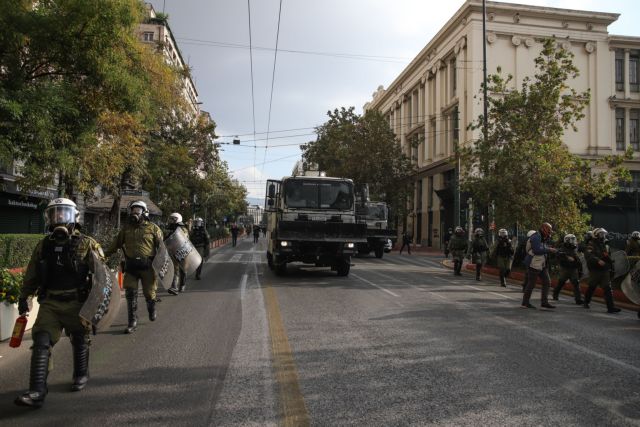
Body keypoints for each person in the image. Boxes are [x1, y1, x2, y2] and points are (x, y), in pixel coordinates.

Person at [15, 198, 103, 408]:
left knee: (80, 339)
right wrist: (24, 297)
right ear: (49, 218)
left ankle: (81, 374)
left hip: (77, 303)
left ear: (75, 217)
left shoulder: (87, 244)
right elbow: (32, 275)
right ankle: (37, 390)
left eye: (64, 213)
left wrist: (98, 305)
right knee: (41, 341)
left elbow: (102, 275)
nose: (59, 218)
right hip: (50, 303)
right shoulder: (43, 245)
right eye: (55, 214)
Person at [105, 200, 164, 333]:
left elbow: (162, 248)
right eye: (133, 210)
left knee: (149, 293)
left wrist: (162, 264)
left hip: (148, 268)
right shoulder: (126, 229)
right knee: (130, 294)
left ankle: (151, 308)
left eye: (138, 210)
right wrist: (103, 256)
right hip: (131, 267)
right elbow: (115, 245)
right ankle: (132, 322)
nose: (135, 213)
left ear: (144, 212)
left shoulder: (153, 228)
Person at [583, 228, 621, 313]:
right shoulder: (591, 244)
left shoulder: (605, 245)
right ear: (595, 235)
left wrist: (611, 263)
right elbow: (588, 255)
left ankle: (610, 307)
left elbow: (607, 255)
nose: (603, 236)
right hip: (595, 270)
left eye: (604, 234)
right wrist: (598, 260)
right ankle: (586, 302)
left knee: (607, 288)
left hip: (604, 269)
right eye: (601, 234)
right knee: (592, 287)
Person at [521, 222, 557, 309]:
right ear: (543, 229)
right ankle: (525, 302)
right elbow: (537, 250)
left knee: (547, 282)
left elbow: (543, 248)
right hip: (533, 263)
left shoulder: (544, 237)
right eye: (548, 230)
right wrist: (549, 249)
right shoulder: (536, 237)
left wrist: (552, 250)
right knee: (531, 284)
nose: (549, 232)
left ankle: (544, 302)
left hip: (541, 263)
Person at [552, 234, 584, 304]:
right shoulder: (563, 248)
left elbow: (577, 258)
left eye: (573, 239)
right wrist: (567, 258)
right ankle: (555, 295)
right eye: (572, 239)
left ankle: (578, 299)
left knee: (576, 283)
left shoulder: (575, 248)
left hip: (573, 268)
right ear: (567, 240)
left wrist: (576, 262)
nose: (573, 241)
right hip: (565, 269)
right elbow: (558, 256)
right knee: (561, 283)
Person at [165, 212, 189, 295]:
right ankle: (174, 287)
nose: (171, 220)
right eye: (171, 218)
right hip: (173, 251)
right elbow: (165, 238)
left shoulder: (183, 229)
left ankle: (182, 284)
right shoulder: (169, 228)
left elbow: (183, 238)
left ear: (178, 219)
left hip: (183, 252)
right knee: (175, 269)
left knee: (183, 270)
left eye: (173, 219)